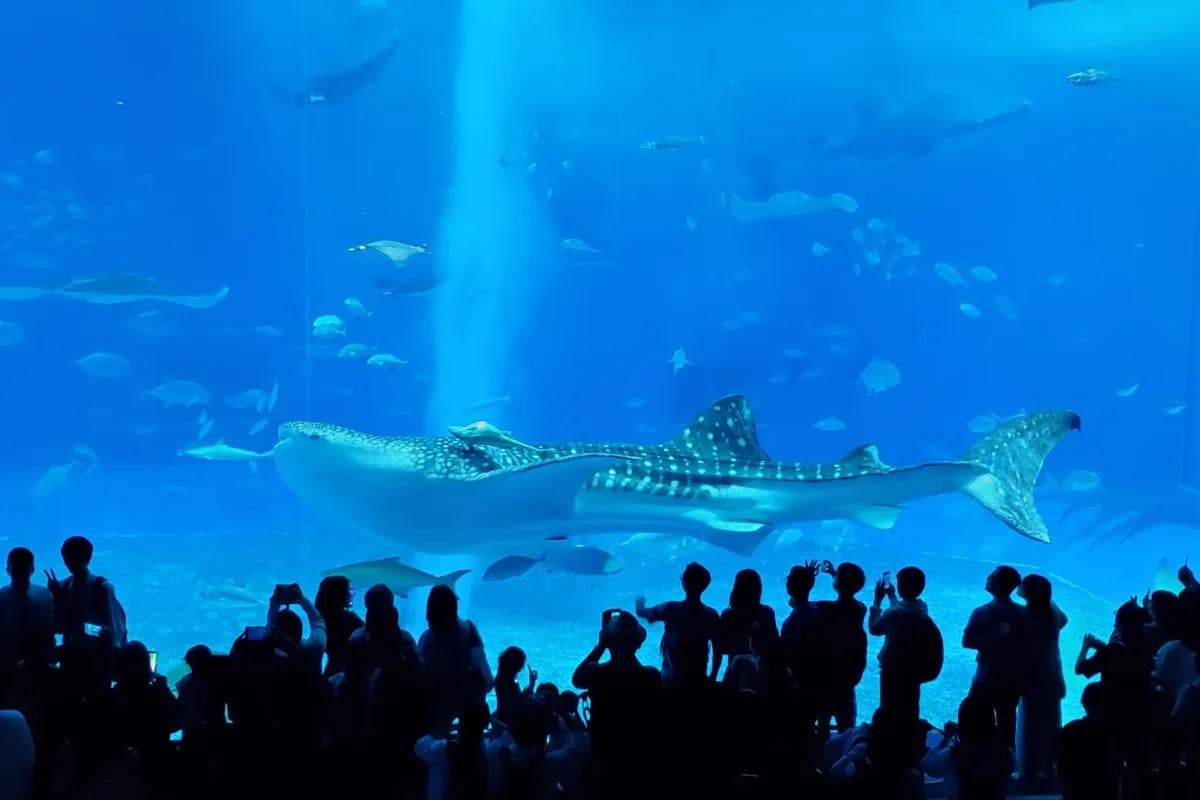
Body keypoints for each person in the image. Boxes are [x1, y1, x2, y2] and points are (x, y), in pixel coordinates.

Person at [963, 565, 1027, 749]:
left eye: (991, 576)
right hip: (1011, 680)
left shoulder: (981, 612)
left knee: (975, 720)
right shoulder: (1023, 613)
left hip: (986, 677)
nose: (987, 577)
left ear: (998, 585)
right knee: (1007, 724)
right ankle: (1008, 766)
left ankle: (976, 762)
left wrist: (991, 642)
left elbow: (967, 641)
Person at [419, 584, 494, 735]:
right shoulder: (469, 631)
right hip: (468, 714)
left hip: (436, 714)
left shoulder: (425, 640)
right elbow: (488, 682)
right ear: (454, 606)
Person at [1015, 574, 1067, 787]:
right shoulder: (1052, 613)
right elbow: (1064, 620)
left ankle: (1027, 771)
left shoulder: (1025, 615)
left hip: (1032, 676)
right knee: (1050, 723)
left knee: (1029, 724)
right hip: (1052, 674)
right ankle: (1049, 768)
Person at [868, 566, 936, 721]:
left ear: (900, 587)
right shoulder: (922, 608)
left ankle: (888, 737)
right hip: (913, 668)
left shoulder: (894, 614)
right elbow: (901, 612)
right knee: (910, 704)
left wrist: (877, 601)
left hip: (892, 669)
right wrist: (892, 597)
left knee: (889, 707)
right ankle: (909, 736)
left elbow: (875, 629)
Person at [636, 561, 719, 687]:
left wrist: (639, 599)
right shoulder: (711, 615)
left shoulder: (671, 608)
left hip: (670, 681)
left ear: (685, 583)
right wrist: (713, 676)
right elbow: (718, 650)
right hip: (698, 681)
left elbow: (643, 613)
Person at [711, 568, 777, 686]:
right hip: (761, 675)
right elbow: (775, 644)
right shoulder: (766, 613)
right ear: (758, 589)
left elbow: (720, 648)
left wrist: (713, 676)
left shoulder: (728, 615)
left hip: (735, 674)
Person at [314, 575, 363, 678]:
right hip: (351, 675)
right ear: (341, 595)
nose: (350, 594)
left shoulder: (320, 620)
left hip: (330, 672)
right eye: (347, 591)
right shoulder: (352, 621)